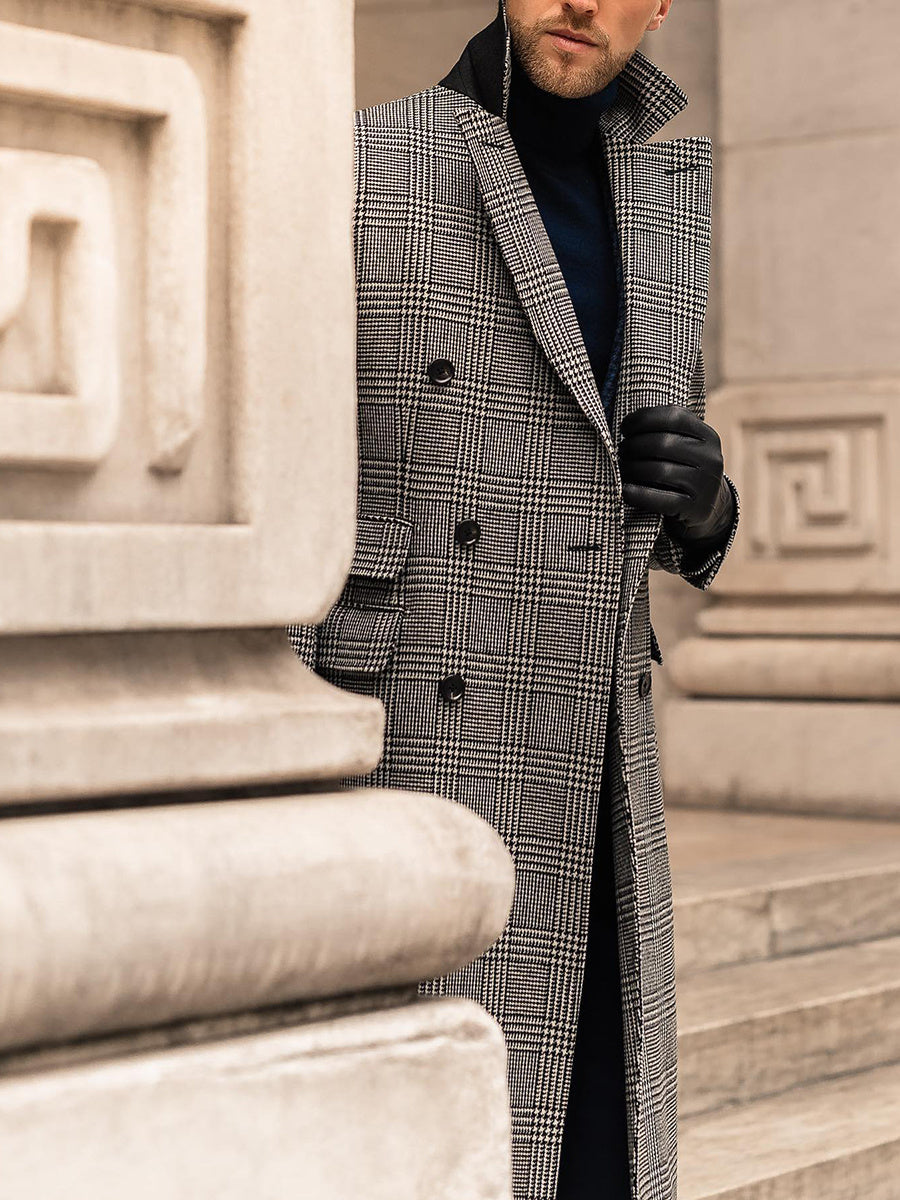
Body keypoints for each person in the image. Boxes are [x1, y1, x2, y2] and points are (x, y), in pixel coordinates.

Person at [288, 3, 740, 1198]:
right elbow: (279, 460)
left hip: (589, 736)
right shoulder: (360, 161)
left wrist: (707, 509)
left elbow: (625, 460)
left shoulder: (658, 196)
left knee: (588, 1129)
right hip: (420, 725)